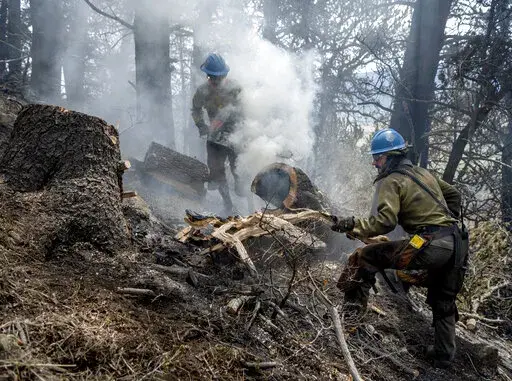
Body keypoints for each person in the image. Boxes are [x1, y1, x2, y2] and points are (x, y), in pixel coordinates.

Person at [331, 128, 469, 369]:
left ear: (392, 157)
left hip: (429, 245)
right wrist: (446, 222)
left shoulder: (391, 180)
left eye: (379, 158)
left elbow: (383, 223)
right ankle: (443, 356)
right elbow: (454, 195)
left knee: (364, 257)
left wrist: (353, 224)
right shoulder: (423, 173)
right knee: (443, 299)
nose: (374, 163)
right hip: (457, 245)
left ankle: (350, 322)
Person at [191, 53, 244, 214]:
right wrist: (201, 125)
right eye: (212, 78)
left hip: (236, 134)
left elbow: (247, 110)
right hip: (214, 136)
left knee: (239, 169)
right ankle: (228, 205)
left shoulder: (235, 88)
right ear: (208, 76)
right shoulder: (202, 91)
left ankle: (241, 188)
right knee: (216, 171)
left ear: (225, 75)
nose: (215, 81)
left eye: (219, 78)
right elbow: (196, 109)